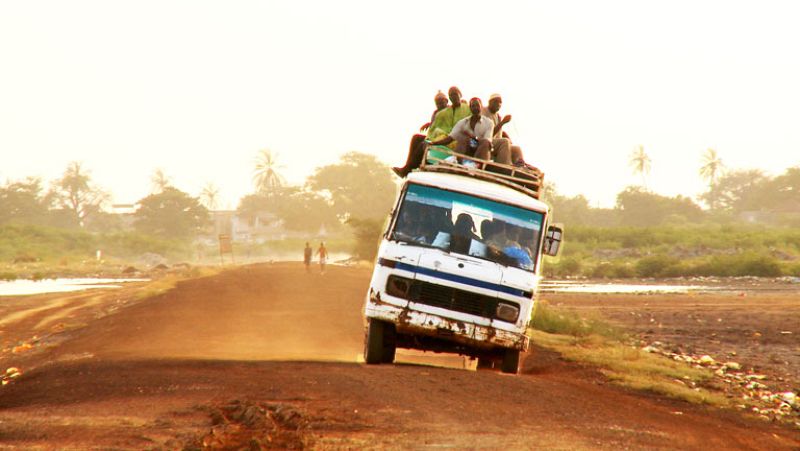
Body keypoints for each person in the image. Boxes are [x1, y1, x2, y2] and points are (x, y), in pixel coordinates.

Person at [393, 86, 470, 177]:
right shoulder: (437, 113)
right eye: (438, 103)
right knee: (416, 138)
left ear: (446, 101)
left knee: (424, 144)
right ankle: (407, 166)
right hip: (438, 136)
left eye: (442, 102)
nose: (440, 105)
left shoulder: (459, 110)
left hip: (449, 139)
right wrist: (430, 124)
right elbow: (435, 127)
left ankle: (408, 169)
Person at [430, 97, 509, 164]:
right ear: (470, 108)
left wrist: (472, 136)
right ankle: (456, 162)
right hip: (467, 147)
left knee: (484, 143)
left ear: (481, 107)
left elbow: (487, 141)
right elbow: (450, 138)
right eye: (473, 106)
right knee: (463, 139)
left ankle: (476, 165)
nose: (475, 108)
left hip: (481, 149)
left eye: (477, 105)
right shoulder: (463, 122)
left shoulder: (489, 122)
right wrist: (433, 143)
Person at [482, 93, 524, 164]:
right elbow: (488, 135)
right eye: (496, 101)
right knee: (504, 142)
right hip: (485, 142)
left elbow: (500, 134)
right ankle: (506, 166)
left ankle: (520, 166)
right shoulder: (483, 112)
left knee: (516, 149)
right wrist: (502, 122)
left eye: (500, 102)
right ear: (490, 102)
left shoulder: (497, 116)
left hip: (495, 143)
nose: (498, 104)